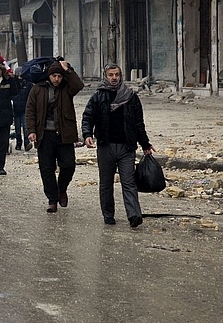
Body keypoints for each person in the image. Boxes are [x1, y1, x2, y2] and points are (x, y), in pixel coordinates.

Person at [82, 64, 155, 227]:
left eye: (117, 74)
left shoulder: (130, 96)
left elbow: (138, 123)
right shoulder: (98, 96)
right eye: (110, 75)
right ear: (105, 76)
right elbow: (88, 117)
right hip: (105, 146)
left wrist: (145, 143)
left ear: (121, 76)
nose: (114, 77)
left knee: (129, 182)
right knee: (106, 183)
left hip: (126, 147)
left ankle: (134, 215)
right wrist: (87, 135)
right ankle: (108, 214)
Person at [25, 60, 84, 213]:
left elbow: (78, 86)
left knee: (68, 165)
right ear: (49, 76)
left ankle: (62, 189)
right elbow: (30, 110)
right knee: (47, 168)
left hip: (64, 134)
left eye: (59, 76)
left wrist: (68, 70)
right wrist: (31, 130)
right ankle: (52, 199)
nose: (56, 79)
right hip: (45, 135)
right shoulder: (38, 89)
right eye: (54, 76)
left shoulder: (67, 88)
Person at [11, 66, 33, 151]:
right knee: (17, 128)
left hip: (25, 109)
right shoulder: (14, 84)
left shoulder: (28, 84)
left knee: (25, 127)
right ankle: (18, 143)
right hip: (16, 109)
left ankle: (27, 143)